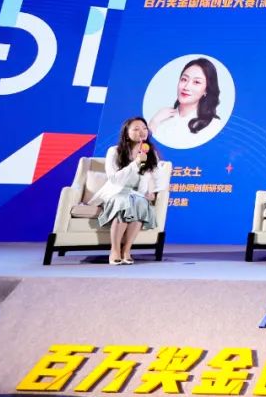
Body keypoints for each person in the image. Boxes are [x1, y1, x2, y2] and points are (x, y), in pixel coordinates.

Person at [89, 117, 166, 265]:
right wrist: (136, 163)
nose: (142, 132)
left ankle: (127, 250)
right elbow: (114, 179)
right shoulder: (114, 151)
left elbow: (156, 176)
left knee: (139, 203)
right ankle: (115, 250)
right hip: (116, 192)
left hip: (137, 194)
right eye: (136, 129)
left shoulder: (150, 152)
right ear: (126, 133)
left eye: (144, 128)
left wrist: (153, 192)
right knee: (125, 202)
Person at [149, 57, 222, 149]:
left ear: (206, 90)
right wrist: (153, 122)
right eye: (184, 79)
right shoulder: (161, 118)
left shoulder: (213, 125)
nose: (186, 87)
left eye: (196, 82)